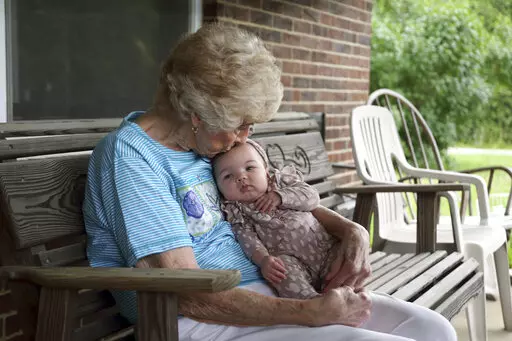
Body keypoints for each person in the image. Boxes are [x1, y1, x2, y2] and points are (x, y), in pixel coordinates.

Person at [83, 22, 457, 341]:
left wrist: (350, 229)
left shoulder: (207, 146)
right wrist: (308, 312)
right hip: (199, 321)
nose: (245, 138)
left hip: (270, 292)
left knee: (431, 329)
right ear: (195, 113)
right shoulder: (131, 157)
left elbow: (275, 198)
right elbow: (184, 290)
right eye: (240, 125)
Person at [214, 139, 341, 299]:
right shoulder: (238, 212)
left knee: (344, 258)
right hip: (294, 263)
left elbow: (312, 198)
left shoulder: (281, 183)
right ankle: (312, 302)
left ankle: (345, 294)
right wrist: (264, 261)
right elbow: (249, 241)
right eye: (228, 176)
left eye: (249, 168)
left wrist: (281, 196)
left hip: (326, 248)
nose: (241, 177)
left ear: (266, 172)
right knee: (281, 272)